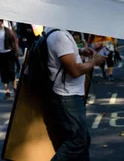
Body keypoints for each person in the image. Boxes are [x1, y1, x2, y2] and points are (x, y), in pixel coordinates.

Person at [44, 28, 104, 160]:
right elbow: (74, 71)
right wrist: (94, 62)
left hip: (67, 93)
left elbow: (62, 56)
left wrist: (80, 51)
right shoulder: (59, 36)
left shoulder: (55, 32)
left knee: (82, 139)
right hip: (67, 95)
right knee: (77, 142)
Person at [0, 19, 19, 99]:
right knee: (3, 73)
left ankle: (15, 87)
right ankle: (7, 91)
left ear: (2, 22)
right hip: (0, 54)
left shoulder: (7, 31)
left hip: (9, 53)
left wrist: (16, 52)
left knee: (11, 71)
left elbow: (14, 41)